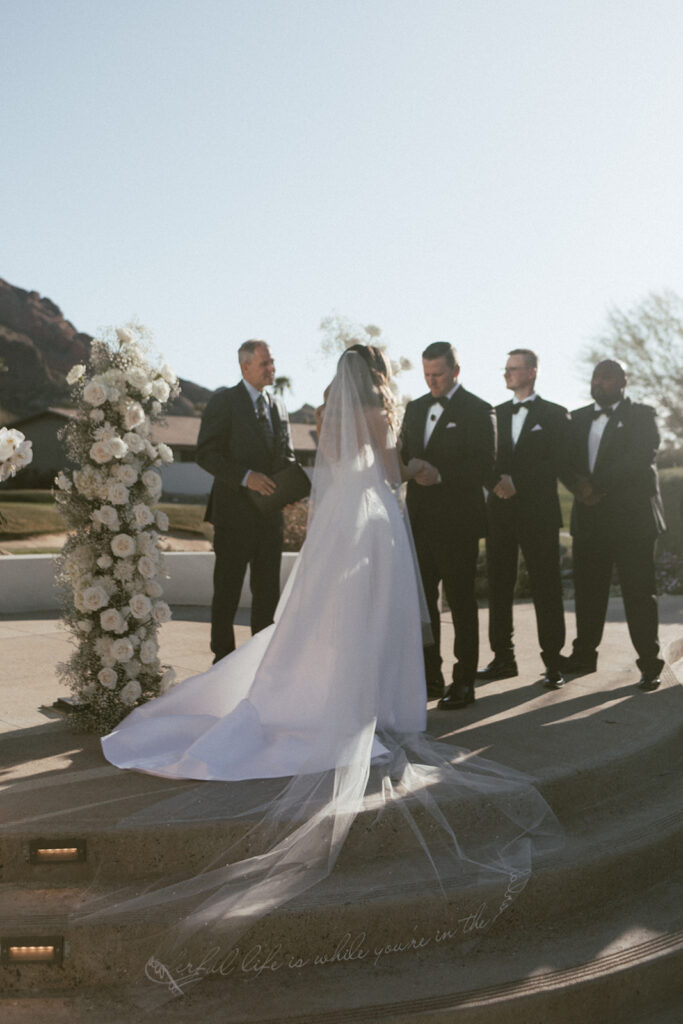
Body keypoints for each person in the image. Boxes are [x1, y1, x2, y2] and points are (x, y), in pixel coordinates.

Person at [95, 346, 559, 1003]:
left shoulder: (325, 412)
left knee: (330, 625)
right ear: (372, 376)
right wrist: (420, 465)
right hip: (372, 520)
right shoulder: (373, 411)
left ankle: (322, 694)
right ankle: (371, 707)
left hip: (340, 522)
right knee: (369, 623)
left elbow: (327, 471)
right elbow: (391, 467)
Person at [400, 342, 496, 708]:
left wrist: (441, 475)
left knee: (460, 603)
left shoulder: (478, 409)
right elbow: (406, 453)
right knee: (423, 604)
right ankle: (429, 678)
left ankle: (464, 682)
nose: (432, 381)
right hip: (419, 521)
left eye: (438, 374)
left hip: (458, 523)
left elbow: (485, 465)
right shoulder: (415, 408)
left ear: (456, 371)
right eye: (426, 375)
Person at [561, 360, 666, 691]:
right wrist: (578, 486)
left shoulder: (643, 415)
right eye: (595, 377)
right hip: (590, 519)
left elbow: (639, 457)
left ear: (623, 381)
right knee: (589, 592)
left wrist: (596, 485)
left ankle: (649, 663)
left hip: (631, 520)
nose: (598, 382)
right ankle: (583, 655)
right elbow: (563, 459)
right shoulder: (576, 418)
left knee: (638, 593)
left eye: (606, 377)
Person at [196, 340, 295, 663]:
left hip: (270, 518)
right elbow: (206, 453)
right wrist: (245, 476)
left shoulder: (279, 406)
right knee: (227, 592)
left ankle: (261, 661)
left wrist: (288, 489)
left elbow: (287, 456)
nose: (272, 369)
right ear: (245, 367)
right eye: (265, 363)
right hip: (232, 517)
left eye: (272, 362)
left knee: (268, 594)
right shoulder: (224, 401)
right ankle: (221, 661)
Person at [478, 349, 571, 691]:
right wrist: (495, 484)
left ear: (532, 372)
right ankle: (503, 658)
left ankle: (553, 663)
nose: (507, 374)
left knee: (546, 587)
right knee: (499, 585)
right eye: (505, 369)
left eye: (513, 369)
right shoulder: (494, 414)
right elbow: (482, 457)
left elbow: (557, 461)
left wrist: (519, 483)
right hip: (500, 512)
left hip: (538, 513)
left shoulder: (555, 415)